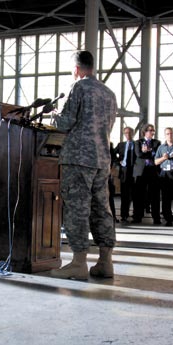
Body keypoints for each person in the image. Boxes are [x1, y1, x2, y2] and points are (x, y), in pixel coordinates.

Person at [51, 50, 117, 280]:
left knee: (77, 208)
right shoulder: (108, 93)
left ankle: (78, 262)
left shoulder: (77, 87)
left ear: (77, 69)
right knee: (101, 208)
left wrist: (52, 114)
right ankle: (105, 261)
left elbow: (65, 122)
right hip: (102, 159)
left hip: (79, 159)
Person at [132, 123, 162, 225]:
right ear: (145, 132)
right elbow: (139, 154)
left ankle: (156, 217)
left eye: (153, 130)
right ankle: (137, 216)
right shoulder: (138, 142)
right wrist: (150, 152)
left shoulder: (157, 142)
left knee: (154, 195)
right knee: (138, 195)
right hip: (141, 172)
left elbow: (157, 154)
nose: (152, 132)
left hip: (153, 170)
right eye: (150, 130)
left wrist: (147, 151)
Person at [115, 126, 136, 223]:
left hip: (135, 172)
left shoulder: (136, 144)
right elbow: (112, 154)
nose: (128, 135)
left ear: (133, 133)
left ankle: (136, 214)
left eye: (130, 133)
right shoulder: (121, 145)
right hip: (124, 172)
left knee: (135, 195)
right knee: (124, 195)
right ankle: (124, 215)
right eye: (126, 133)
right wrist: (118, 161)